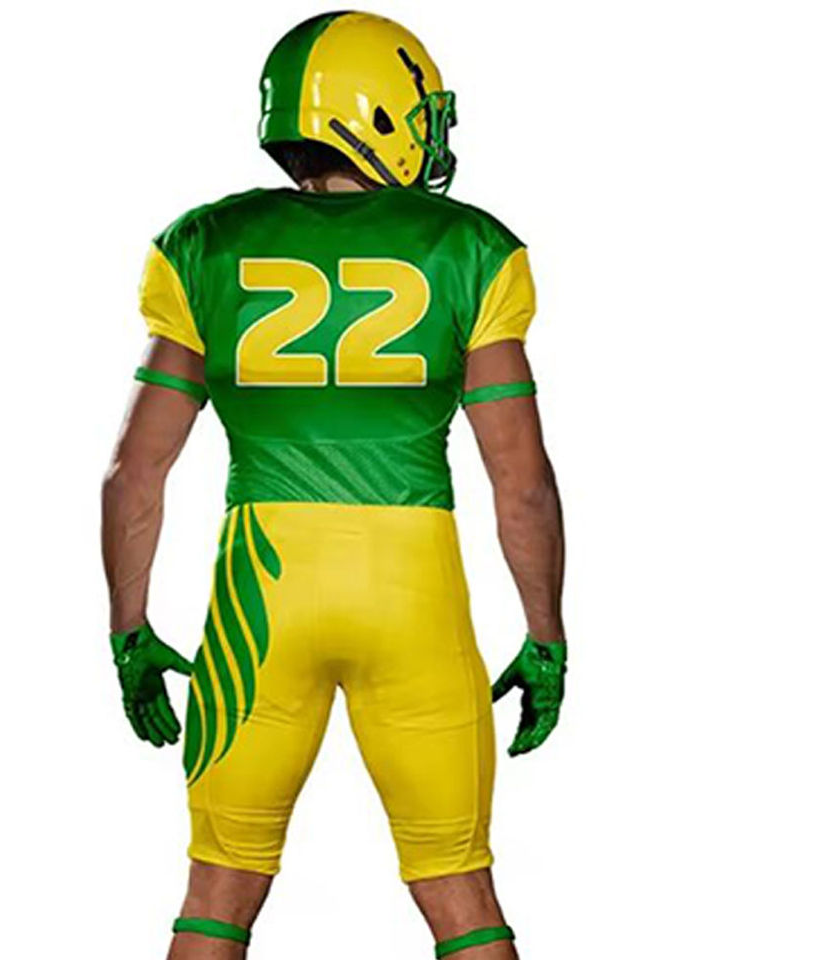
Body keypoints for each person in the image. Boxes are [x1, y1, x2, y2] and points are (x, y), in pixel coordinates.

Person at [101, 11, 567, 959]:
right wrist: (547, 631)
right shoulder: (470, 247)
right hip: (413, 597)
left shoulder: (208, 244)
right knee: (461, 889)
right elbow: (519, 481)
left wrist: (128, 627)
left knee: (218, 887)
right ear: (382, 111)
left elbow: (134, 474)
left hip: (261, 599)